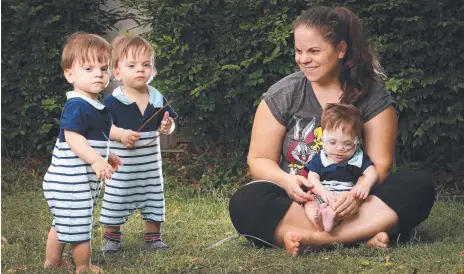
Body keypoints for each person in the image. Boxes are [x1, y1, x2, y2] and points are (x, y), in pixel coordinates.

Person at [228, 6, 435, 256]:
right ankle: (365, 233)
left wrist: (355, 198)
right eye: (298, 51)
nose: (304, 59)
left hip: (357, 201)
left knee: (418, 185)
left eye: (314, 51)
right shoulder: (283, 94)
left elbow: (380, 165)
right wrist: (287, 181)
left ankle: (314, 240)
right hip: (301, 202)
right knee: (245, 201)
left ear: (340, 50)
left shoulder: (372, 95)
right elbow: (259, 159)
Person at [43, 32, 122, 273]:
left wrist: (106, 155)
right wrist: (96, 160)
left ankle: (53, 261)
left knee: (65, 222)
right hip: (70, 183)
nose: (98, 73)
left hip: (73, 182)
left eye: (103, 67)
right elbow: (73, 138)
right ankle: (83, 267)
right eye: (88, 68)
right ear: (70, 74)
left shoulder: (97, 106)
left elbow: (92, 140)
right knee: (80, 226)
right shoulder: (77, 105)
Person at [99, 34, 178, 252]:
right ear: (117, 72)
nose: (140, 70)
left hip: (150, 169)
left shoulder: (157, 98)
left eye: (146, 64)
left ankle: (153, 236)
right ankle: (112, 237)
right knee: (116, 199)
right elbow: (105, 128)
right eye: (132, 65)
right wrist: (121, 135)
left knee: (154, 196)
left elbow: (168, 125)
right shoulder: (113, 101)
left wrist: (166, 127)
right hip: (123, 168)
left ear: (153, 69)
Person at [303, 103, 378, 233]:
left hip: (347, 197)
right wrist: (323, 192)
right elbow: (312, 178)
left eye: (347, 144)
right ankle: (318, 220)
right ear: (323, 140)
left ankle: (331, 218)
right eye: (333, 142)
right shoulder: (320, 158)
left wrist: (365, 185)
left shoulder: (358, 158)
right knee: (309, 203)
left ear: (357, 142)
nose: (339, 149)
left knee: (367, 206)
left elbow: (372, 173)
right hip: (324, 196)